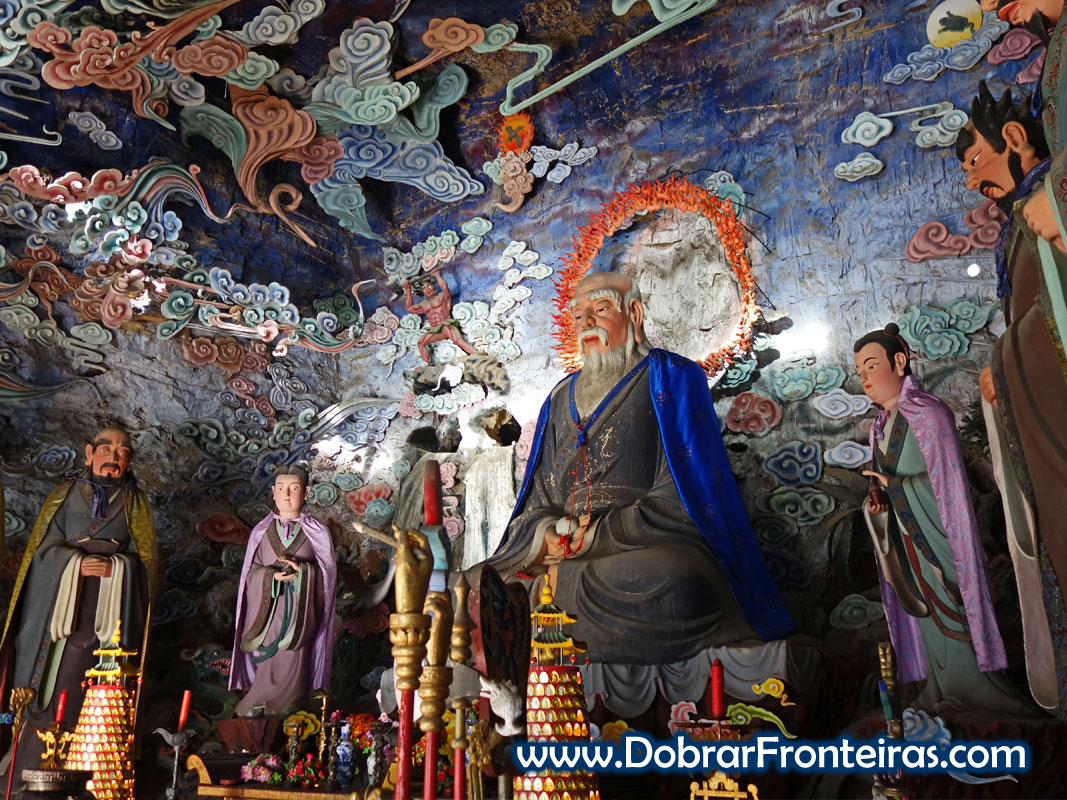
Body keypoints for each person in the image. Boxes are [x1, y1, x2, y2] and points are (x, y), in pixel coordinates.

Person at [483, 271, 793, 664]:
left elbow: (689, 492)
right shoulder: (559, 397)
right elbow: (539, 497)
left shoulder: (674, 377)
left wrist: (595, 535)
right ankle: (538, 600)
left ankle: (533, 609)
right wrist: (545, 533)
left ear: (634, 313)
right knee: (473, 583)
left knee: (675, 579)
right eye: (577, 315)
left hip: (641, 544)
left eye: (600, 309)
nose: (586, 323)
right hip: (561, 550)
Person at [957, 81, 1067, 711]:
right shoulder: (1023, 225)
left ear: (1016, 138)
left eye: (976, 161)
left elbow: (1051, 315)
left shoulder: (1049, 202)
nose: (974, 181)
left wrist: (1005, 361)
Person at [855, 326, 1028, 713]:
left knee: (952, 601)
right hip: (906, 534)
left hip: (938, 532)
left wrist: (897, 487)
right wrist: (878, 503)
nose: (864, 377)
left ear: (899, 362)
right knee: (925, 611)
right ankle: (939, 685)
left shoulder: (929, 413)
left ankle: (977, 687)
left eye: (871, 365)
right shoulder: (880, 427)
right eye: (859, 370)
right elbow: (881, 485)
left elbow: (947, 484)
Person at [0, 425, 156, 777]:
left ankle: (92, 765)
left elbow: (144, 564)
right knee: (58, 670)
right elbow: (42, 553)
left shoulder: (136, 504)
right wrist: (74, 564)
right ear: (88, 454)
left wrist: (119, 567)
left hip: (108, 609)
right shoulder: (64, 495)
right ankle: (32, 763)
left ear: (130, 461)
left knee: (93, 672)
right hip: (59, 609)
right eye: (105, 449)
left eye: (122, 451)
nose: (113, 457)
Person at [230, 465, 336, 717]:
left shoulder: (317, 532)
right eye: (281, 488)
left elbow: (327, 576)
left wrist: (304, 572)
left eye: (294, 488)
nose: (287, 495)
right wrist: (270, 576)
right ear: (273, 492)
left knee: (293, 650)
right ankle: (260, 695)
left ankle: (292, 700)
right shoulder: (261, 531)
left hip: (300, 608)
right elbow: (250, 573)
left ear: (306, 493)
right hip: (269, 607)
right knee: (269, 651)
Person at [403, 270, 479, 363]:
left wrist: (437, 275)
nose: (427, 289)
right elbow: (409, 308)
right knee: (420, 343)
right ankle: (428, 365)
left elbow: (444, 287)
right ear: (423, 292)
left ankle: (477, 354)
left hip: (446, 325)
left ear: (433, 287)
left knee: (457, 341)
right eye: (424, 288)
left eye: (429, 286)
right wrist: (408, 290)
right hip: (436, 330)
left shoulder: (442, 296)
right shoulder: (424, 304)